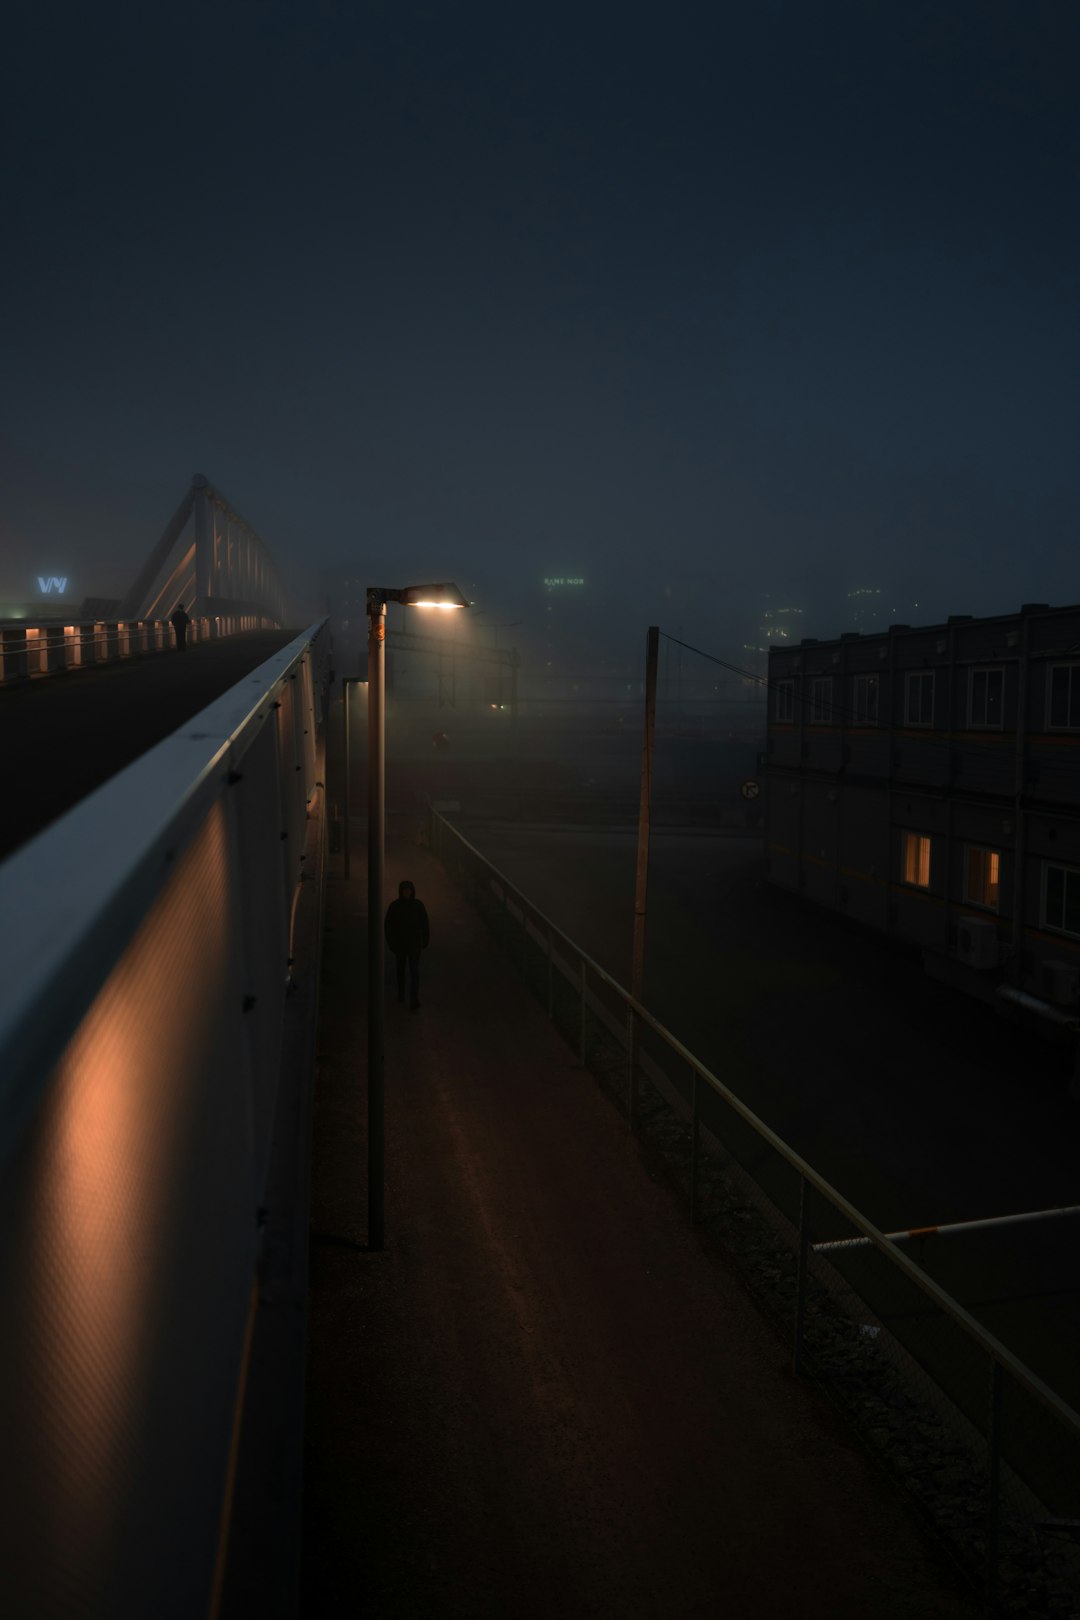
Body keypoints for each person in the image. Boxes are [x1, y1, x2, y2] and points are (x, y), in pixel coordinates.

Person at [384, 879, 430, 1009]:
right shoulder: (398, 906)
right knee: (402, 970)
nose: (407, 893)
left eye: (409, 890)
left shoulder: (412, 906)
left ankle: (412, 997)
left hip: (412, 944)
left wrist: (425, 939)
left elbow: (424, 923)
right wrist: (391, 943)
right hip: (402, 944)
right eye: (405, 890)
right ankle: (403, 993)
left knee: (413, 971)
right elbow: (388, 926)